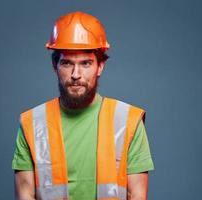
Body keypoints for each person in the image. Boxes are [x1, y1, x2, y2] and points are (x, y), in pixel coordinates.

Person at [12, 11, 154, 200]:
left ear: (100, 67)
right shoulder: (32, 124)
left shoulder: (128, 121)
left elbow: (136, 195)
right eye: (67, 63)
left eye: (86, 63)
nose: (76, 74)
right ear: (55, 66)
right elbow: (25, 195)